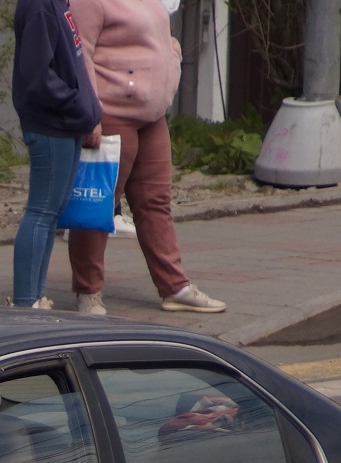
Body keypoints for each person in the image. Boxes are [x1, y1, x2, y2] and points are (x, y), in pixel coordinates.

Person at [67, 0, 226, 315]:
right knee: (97, 204)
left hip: (152, 115)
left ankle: (175, 287)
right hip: (111, 113)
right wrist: (90, 114)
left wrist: (173, 60)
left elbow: (159, 37)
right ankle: (88, 292)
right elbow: (79, 55)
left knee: (156, 202)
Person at [9, 0, 103, 310]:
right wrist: (77, 103)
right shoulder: (38, 6)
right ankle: (26, 302)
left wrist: (84, 108)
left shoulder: (57, 3)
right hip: (51, 124)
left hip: (68, 122)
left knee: (51, 213)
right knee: (41, 211)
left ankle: (36, 297)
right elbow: (38, 76)